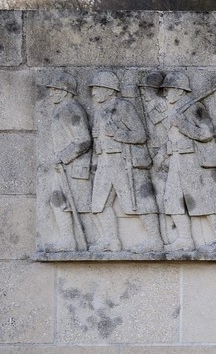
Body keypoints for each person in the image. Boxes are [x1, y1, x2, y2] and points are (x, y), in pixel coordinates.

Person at [86, 71, 162, 252]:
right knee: (98, 204)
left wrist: (118, 133)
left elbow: (140, 135)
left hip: (122, 160)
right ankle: (111, 241)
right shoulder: (98, 110)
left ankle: (155, 240)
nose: (94, 93)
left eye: (98, 88)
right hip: (104, 161)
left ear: (109, 90)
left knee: (139, 202)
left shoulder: (123, 106)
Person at [155, 72, 216, 252]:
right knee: (172, 200)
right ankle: (185, 239)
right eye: (165, 90)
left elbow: (207, 133)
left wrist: (183, 125)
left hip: (194, 161)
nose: (166, 93)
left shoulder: (195, 107)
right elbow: (170, 137)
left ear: (180, 91)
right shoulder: (173, 110)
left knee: (208, 199)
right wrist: (162, 156)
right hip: (176, 160)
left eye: (170, 89)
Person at [43, 73, 93, 251]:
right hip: (65, 166)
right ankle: (68, 241)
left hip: (73, 166)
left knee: (83, 205)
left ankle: (80, 241)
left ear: (65, 92)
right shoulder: (62, 109)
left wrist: (63, 156)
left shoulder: (72, 109)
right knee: (58, 202)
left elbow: (84, 140)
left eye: (56, 90)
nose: (52, 93)